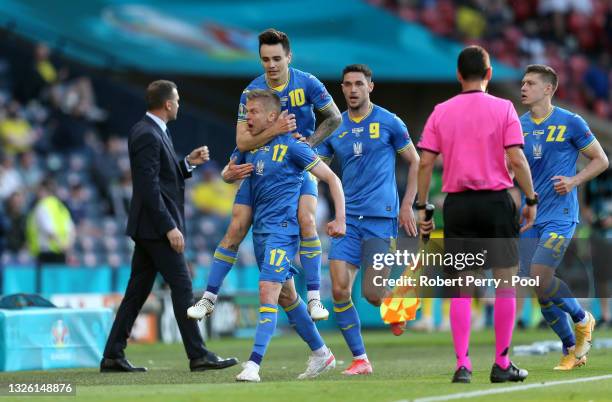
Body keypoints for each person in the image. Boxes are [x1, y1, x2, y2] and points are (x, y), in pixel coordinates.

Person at [189, 28, 342, 321]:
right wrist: (277, 130)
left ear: (288, 57)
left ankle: (314, 298)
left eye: (276, 59)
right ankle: (208, 298)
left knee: (307, 219)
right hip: (259, 163)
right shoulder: (252, 92)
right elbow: (243, 142)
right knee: (236, 227)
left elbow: (334, 117)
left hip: (296, 163)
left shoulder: (308, 83)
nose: (271, 65)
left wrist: (308, 144)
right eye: (265, 59)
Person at [417, 45, 536, 384]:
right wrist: (531, 197)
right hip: (497, 203)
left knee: (462, 289)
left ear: (458, 75)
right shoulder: (504, 108)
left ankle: (463, 365)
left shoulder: (441, 111)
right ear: (489, 74)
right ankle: (502, 364)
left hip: (459, 206)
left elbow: (425, 162)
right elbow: (517, 159)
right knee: (505, 286)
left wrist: (423, 205)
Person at [100, 80, 238, 373]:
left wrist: (186, 163)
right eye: (177, 100)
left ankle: (113, 354)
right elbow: (148, 188)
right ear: (167, 104)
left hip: (149, 227)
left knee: (137, 292)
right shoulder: (147, 133)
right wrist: (169, 227)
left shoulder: (152, 131)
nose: (179, 104)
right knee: (182, 287)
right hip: (156, 228)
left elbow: (161, 178)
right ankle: (198, 354)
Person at [233, 89, 345, 382]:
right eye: (247, 112)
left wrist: (339, 217)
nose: (248, 117)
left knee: (267, 290)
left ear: (273, 116)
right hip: (261, 232)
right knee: (286, 295)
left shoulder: (295, 146)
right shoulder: (253, 148)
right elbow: (228, 171)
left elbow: (331, 178)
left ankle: (254, 364)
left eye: (253, 112)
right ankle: (322, 353)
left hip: (283, 232)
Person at [315, 64, 420, 375]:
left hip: (380, 218)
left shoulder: (389, 122)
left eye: (359, 83)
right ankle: (361, 359)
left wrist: (407, 205)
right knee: (338, 291)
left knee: (372, 295)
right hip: (346, 220)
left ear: (370, 87)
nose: (352, 89)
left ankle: (397, 303)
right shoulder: (335, 126)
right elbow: (318, 168)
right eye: (347, 84)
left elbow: (414, 161)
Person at [518, 64, 609, 370]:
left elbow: (601, 160)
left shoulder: (571, 122)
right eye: (522, 83)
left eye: (530, 83)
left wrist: (574, 181)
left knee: (541, 275)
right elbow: (512, 166)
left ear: (548, 88)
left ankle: (583, 319)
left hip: (561, 214)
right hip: (529, 215)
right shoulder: (518, 125)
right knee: (538, 286)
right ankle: (572, 349)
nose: (523, 87)